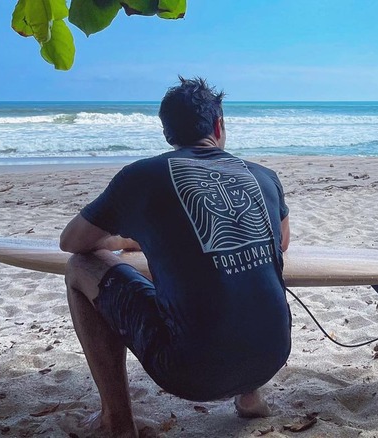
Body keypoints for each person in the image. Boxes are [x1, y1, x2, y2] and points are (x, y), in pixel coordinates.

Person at [60, 76, 292, 437]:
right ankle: (250, 398)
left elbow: (73, 243)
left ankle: (115, 422)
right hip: (272, 358)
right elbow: (280, 242)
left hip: (189, 373)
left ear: (168, 134)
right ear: (219, 125)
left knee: (80, 269)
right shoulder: (264, 176)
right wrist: (151, 240)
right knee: (246, 265)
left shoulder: (140, 178)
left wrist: (131, 237)